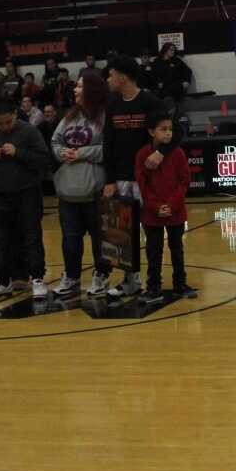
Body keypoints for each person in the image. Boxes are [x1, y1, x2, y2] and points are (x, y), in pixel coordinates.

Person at [102, 55, 167, 298]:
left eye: (111, 75)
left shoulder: (150, 101)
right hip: (120, 178)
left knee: (152, 232)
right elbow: (108, 144)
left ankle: (154, 282)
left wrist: (160, 152)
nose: (108, 80)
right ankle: (130, 281)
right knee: (120, 235)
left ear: (122, 77)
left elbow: (173, 132)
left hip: (146, 178)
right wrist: (109, 180)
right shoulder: (112, 105)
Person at [0, 102, 52, 300]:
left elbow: (43, 159)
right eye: (0, 123)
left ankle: (37, 279)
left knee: (31, 236)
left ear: (15, 115)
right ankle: (2, 281)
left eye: (8, 122)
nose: (5, 127)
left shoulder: (30, 132)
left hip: (27, 193)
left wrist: (19, 152)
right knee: (0, 239)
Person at [50, 69, 110, 297]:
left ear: (92, 90)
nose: (75, 89)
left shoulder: (105, 116)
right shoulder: (69, 116)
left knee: (99, 238)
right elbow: (55, 141)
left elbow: (111, 149)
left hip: (96, 189)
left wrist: (82, 153)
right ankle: (71, 276)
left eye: (80, 86)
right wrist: (61, 152)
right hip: (68, 190)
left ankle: (101, 275)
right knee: (70, 238)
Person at [136, 110, 191, 298]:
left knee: (177, 249)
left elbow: (184, 180)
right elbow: (142, 185)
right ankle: (153, 285)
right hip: (152, 213)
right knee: (153, 251)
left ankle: (180, 283)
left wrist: (171, 205)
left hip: (175, 211)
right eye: (163, 129)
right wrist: (156, 206)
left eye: (170, 129)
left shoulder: (178, 153)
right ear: (152, 131)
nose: (168, 133)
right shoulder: (142, 154)